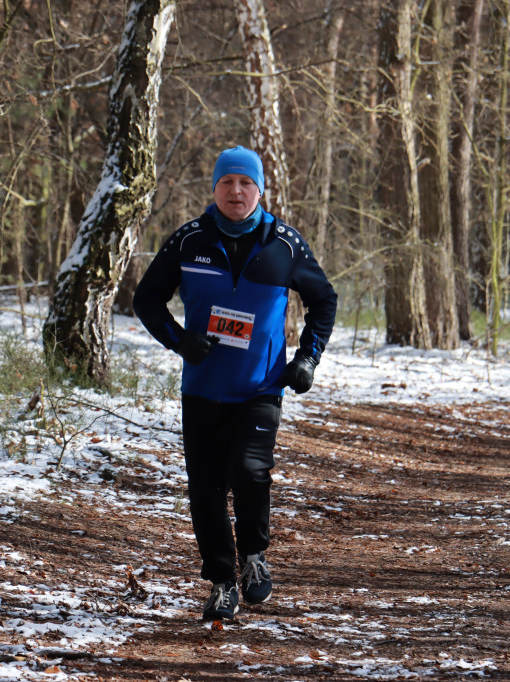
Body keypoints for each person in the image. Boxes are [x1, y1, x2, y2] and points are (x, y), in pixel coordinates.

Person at [132, 146, 337, 621]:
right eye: (227, 182)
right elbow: (146, 300)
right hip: (202, 390)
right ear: (215, 188)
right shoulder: (189, 241)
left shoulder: (284, 244)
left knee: (248, 473)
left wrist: (307, 359)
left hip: (259, 389)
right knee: (204, 491)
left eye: (246, 183)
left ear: (260, 189)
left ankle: (254, 557)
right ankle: (222, 581)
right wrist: (180, 342)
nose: (236, 191)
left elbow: (324, 302)